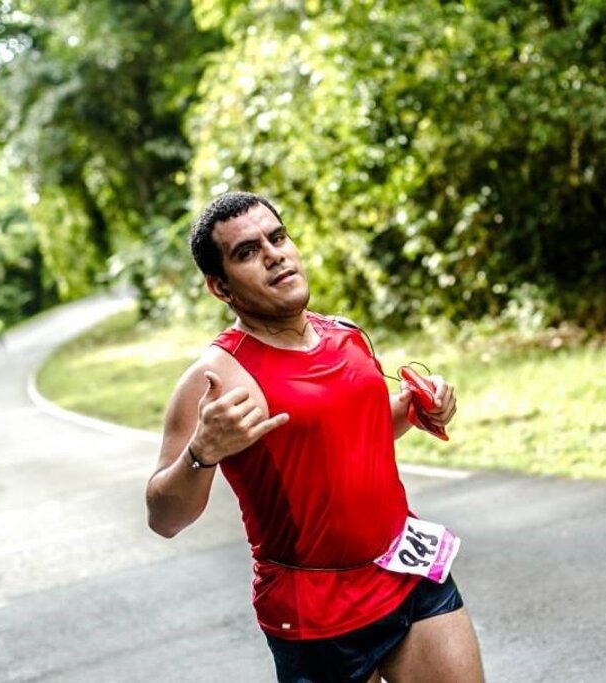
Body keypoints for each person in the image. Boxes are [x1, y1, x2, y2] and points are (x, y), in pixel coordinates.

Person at [145, 192, 485, 682]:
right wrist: (202, 451)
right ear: (220, 287)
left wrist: (415, 408)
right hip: (316, 615)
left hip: (406, 570)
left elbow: (347, 437)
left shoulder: (344, 335)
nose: (273, 254)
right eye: (247, 251)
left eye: (277, 237)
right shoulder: (215, 378)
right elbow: (163, 517)